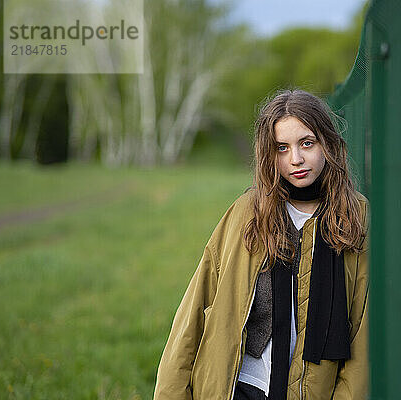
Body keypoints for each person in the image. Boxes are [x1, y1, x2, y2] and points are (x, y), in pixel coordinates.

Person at [153, 89, 369, 400]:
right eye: (282, 148)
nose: (295, 159)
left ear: (328, 144)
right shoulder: (247, 213)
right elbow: (194, 313)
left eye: (307, 143)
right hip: (238, 387)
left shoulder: (355, 218)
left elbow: (362, 337)